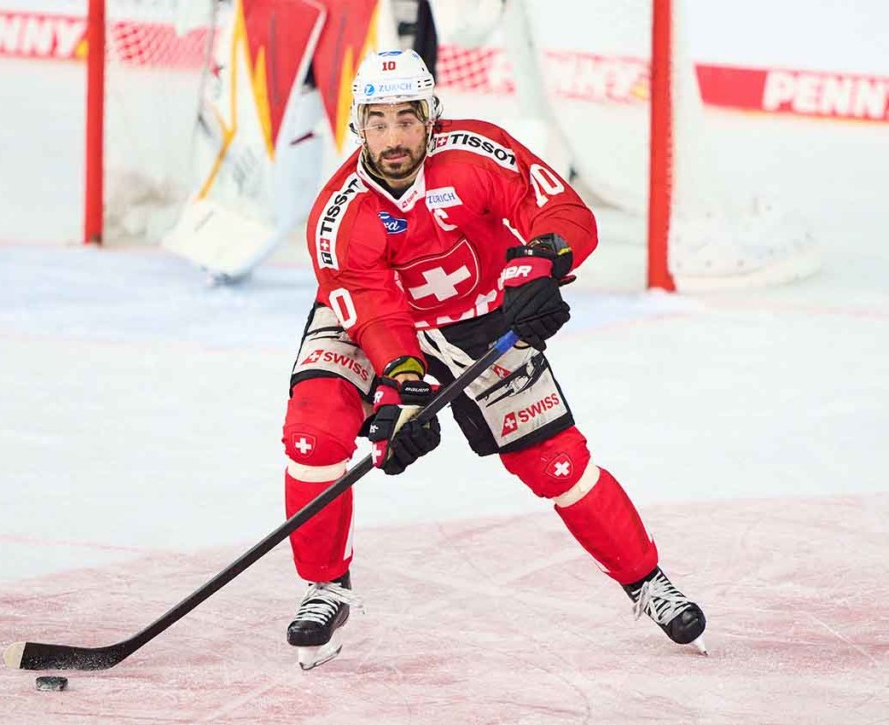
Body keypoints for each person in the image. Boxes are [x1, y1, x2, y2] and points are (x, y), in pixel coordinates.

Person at [281, 49, 706, 670]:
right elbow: (374, 314)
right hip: (371, 324)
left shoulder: (478, 153)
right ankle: (324, 585)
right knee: (314, 437)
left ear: (432, 114)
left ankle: (647, 582)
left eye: (407, 118)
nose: (394, 137)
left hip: (482, 317)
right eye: (378, 121)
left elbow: (560, 211)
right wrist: (403, 392)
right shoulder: (339, 216)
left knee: (558, 464)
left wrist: (541, 262)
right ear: (357, 125)